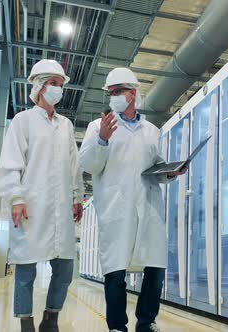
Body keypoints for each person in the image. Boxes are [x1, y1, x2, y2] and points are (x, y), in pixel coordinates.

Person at [79, 68, 187, 332]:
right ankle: (117, 326)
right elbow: (88, 164)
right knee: (115, 271)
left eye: (118, 92)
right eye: (111, 93)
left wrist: (170, 171)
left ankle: (146, 322)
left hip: (148, 208)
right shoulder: (98, 126)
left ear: (133, 93)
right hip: (117, 208)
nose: (114, 97)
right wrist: (103, 139)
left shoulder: (151, 131)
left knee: (155, 267)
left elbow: (156, 167)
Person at [0, 59, 84, 332]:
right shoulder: (23, 121)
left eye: (60, 84)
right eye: (53, 84)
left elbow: (74, 165)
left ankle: (50, 318)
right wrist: (16, 198)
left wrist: (77, 196)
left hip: (61, 207)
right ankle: (26, 323)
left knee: (65, 268)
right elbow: (10, 163)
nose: (58, 89)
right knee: (26, 269)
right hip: (31, 205)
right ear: (39, 86)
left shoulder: (66, 125)